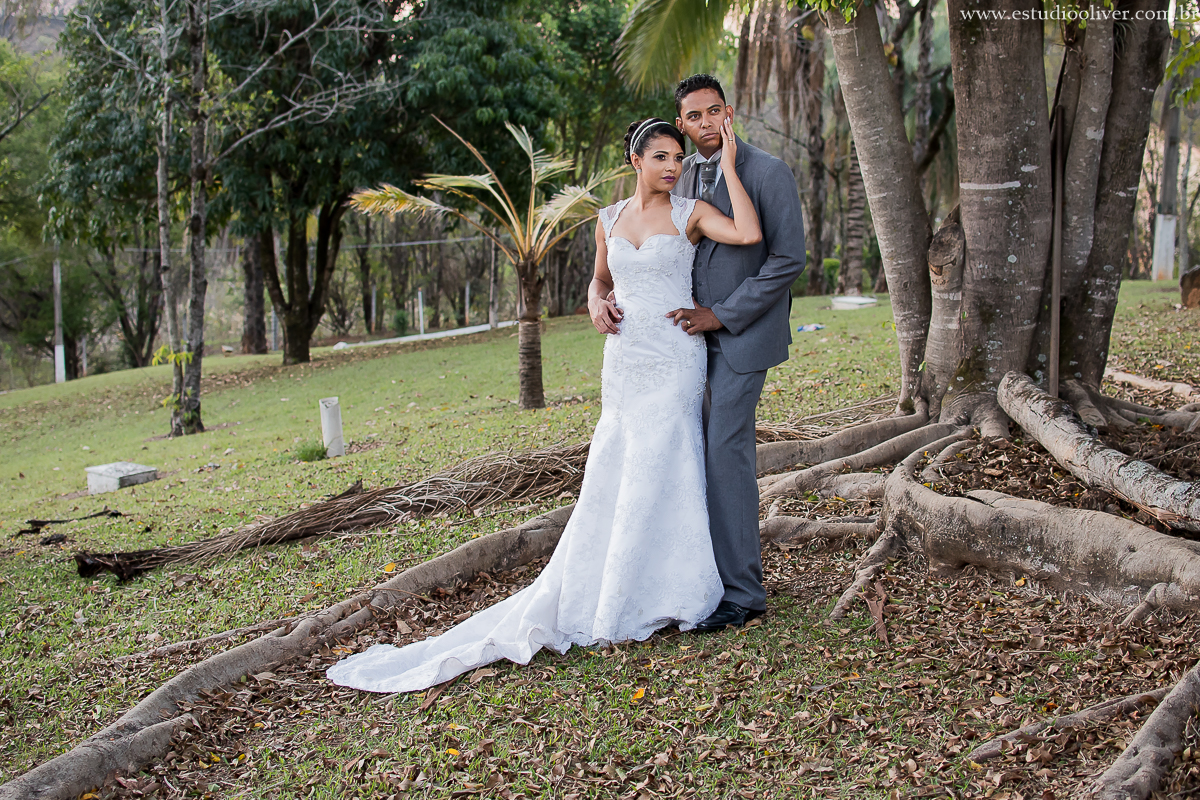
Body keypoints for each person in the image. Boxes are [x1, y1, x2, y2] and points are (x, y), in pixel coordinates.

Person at [326, 115, 762, 694]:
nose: (671, 167)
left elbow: (750, 234)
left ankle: (673, 589)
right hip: (625, 360)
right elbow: (600, 281)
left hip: (676, 357)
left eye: (676, 158)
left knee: (668, 459)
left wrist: (728, 167)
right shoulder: (607, 220)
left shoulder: (691, 215)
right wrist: (593, 304)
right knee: (620, 462)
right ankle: (612, 586)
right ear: (636, 161)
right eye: (660, 157)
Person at [666, 74, 806, 632]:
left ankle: (744, 594)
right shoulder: (678, 178)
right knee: (695, 453)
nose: (704, 124)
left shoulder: (768, 172)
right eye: (693, 117)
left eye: (713, 112)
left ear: (729, 113)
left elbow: (787, 260)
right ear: (681, 124)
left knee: (725, 453)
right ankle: (704, 576)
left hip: (743, 339)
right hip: (687, 345)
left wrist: (721, 314)